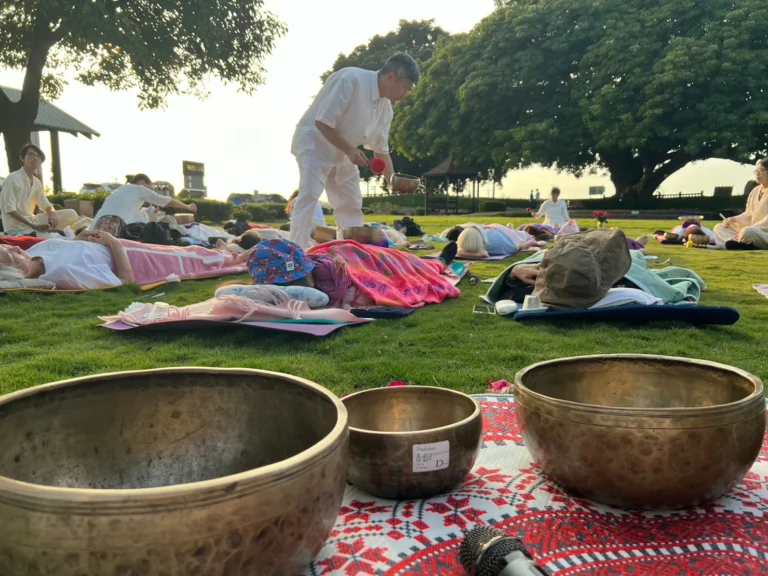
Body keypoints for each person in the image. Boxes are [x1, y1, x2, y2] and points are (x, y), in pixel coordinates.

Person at [289, 53, 420, 249]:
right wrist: (350, 150)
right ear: (391, 77)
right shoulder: (350, 79)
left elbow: (381, 151)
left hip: (343, 152)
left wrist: (393, 181)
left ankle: (351, 253)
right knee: (309, 196)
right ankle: (295, 253)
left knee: (350, 202)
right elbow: (323, 122)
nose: (406, 94)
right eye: (406, 87)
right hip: (315, 144)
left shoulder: (386, 109)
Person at [244, 238, 460, 309]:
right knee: (409, 264)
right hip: (352, 260)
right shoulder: (322, 289)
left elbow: (376, 273)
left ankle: (438, 262)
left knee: (405, 263)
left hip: (357, 257)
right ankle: (436, 262)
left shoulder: (331, 272)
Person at [0, 230, 249, 290]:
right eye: (10, 257)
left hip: (131, 248)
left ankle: (227, 249)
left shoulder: (41, 249)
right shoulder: (65, 272)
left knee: (190, 251)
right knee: (197, 260)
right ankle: (236, 255)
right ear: (14, 275)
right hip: (136, 260)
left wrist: (79, 238)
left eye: (8, 248)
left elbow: (69, 248)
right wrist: (113, 242)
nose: (15, 250)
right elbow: (125, 282)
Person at [0, 143, 81, 235]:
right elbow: (10, 210)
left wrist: (52, 213)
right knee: (48, 238)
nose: (35, 158)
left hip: (33, 221)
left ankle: (50, 230)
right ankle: (48, 232)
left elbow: (45, 204)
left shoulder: (37, 182)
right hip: (16, 228)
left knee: (71, 214)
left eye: (38, 157)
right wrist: (33, 226)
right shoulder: (13, 178)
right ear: (22, 158)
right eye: (31, 154)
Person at [91, 174, 197, 229]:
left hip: (95, 227)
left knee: (140, 212)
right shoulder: (139, 189)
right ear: (142, 182)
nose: (149, 192)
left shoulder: (120, 190)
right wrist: (188, 207)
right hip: (112, 229)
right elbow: (168, 201)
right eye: (149, 188)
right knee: (143, 215)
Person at [714, 158, 768, 250]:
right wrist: (733, 219)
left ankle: (742, 243)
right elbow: (748, 215)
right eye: (756, 171)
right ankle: (741, 244)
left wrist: (752, 228)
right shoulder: (755, 191)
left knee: (748, 232)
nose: (757, 174)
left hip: (762, 233)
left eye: (761, 170)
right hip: (750, 230)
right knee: (719, 228)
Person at [447, 223, 540, 258]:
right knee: (517, 233)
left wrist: (529, 243)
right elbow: (457, 249)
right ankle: (511, 227)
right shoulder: (468, 236)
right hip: (492, 229)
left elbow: (483, 254)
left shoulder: (500, 244)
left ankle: (532, 241)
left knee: (523, 237)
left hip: (506, 235)